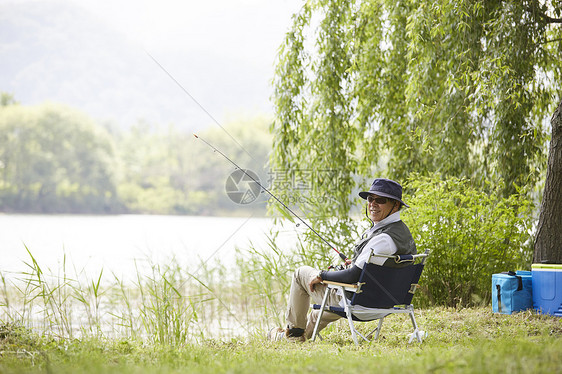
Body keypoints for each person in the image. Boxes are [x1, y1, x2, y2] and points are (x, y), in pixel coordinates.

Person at [267, 178, 416, 342]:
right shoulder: (402, 233)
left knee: (300, 274)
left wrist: (322, 275)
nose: (373, 204)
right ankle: (294, 337)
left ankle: (292, 336)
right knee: (318, 312)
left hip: (360, 302)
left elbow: (352, 276)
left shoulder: (383, 239)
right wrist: (351, 266)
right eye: (370, 199)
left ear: (395, 205)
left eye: (380, 200)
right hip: (386, 302)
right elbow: (367, 269)